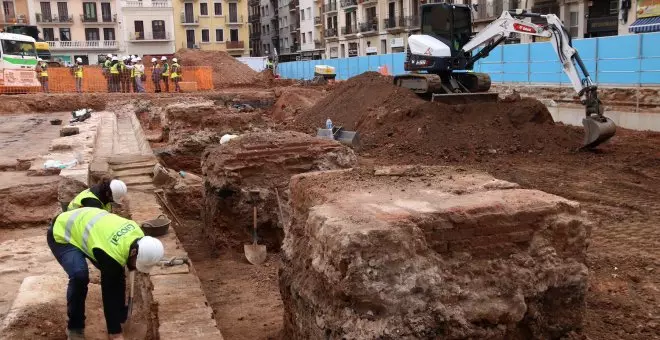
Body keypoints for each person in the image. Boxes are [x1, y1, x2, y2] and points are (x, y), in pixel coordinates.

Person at [47, 208, 164, 340]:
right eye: (138, 263)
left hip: (85, 226)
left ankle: (119, 314)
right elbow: (109, 293)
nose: (137, 267)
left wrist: (120, 315)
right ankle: (75, 327)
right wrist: (115, 332)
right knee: (80, 276)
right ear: (133, 252)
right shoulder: (110, 254)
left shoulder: (138, 235)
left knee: (116, 273)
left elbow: (118, 272)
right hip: (63, 232)